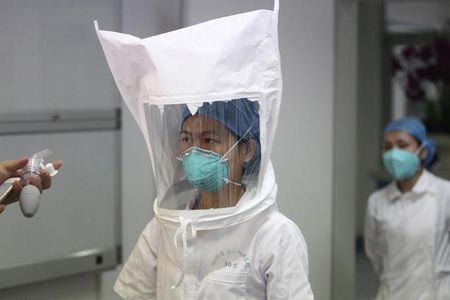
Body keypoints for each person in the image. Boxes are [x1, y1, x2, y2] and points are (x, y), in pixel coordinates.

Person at [96, 1, 314, 298]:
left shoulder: (274, 235)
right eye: (186, 138)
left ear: (246, 149)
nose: (193, 152)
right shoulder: (165, 227)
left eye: (209, 140)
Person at [364, 117, 450, 300]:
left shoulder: (444, 194)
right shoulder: (377, 201)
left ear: (423, 152)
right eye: (388, 147)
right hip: (391, 294)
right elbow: (375, 254)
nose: (394, 153)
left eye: (402, 145)